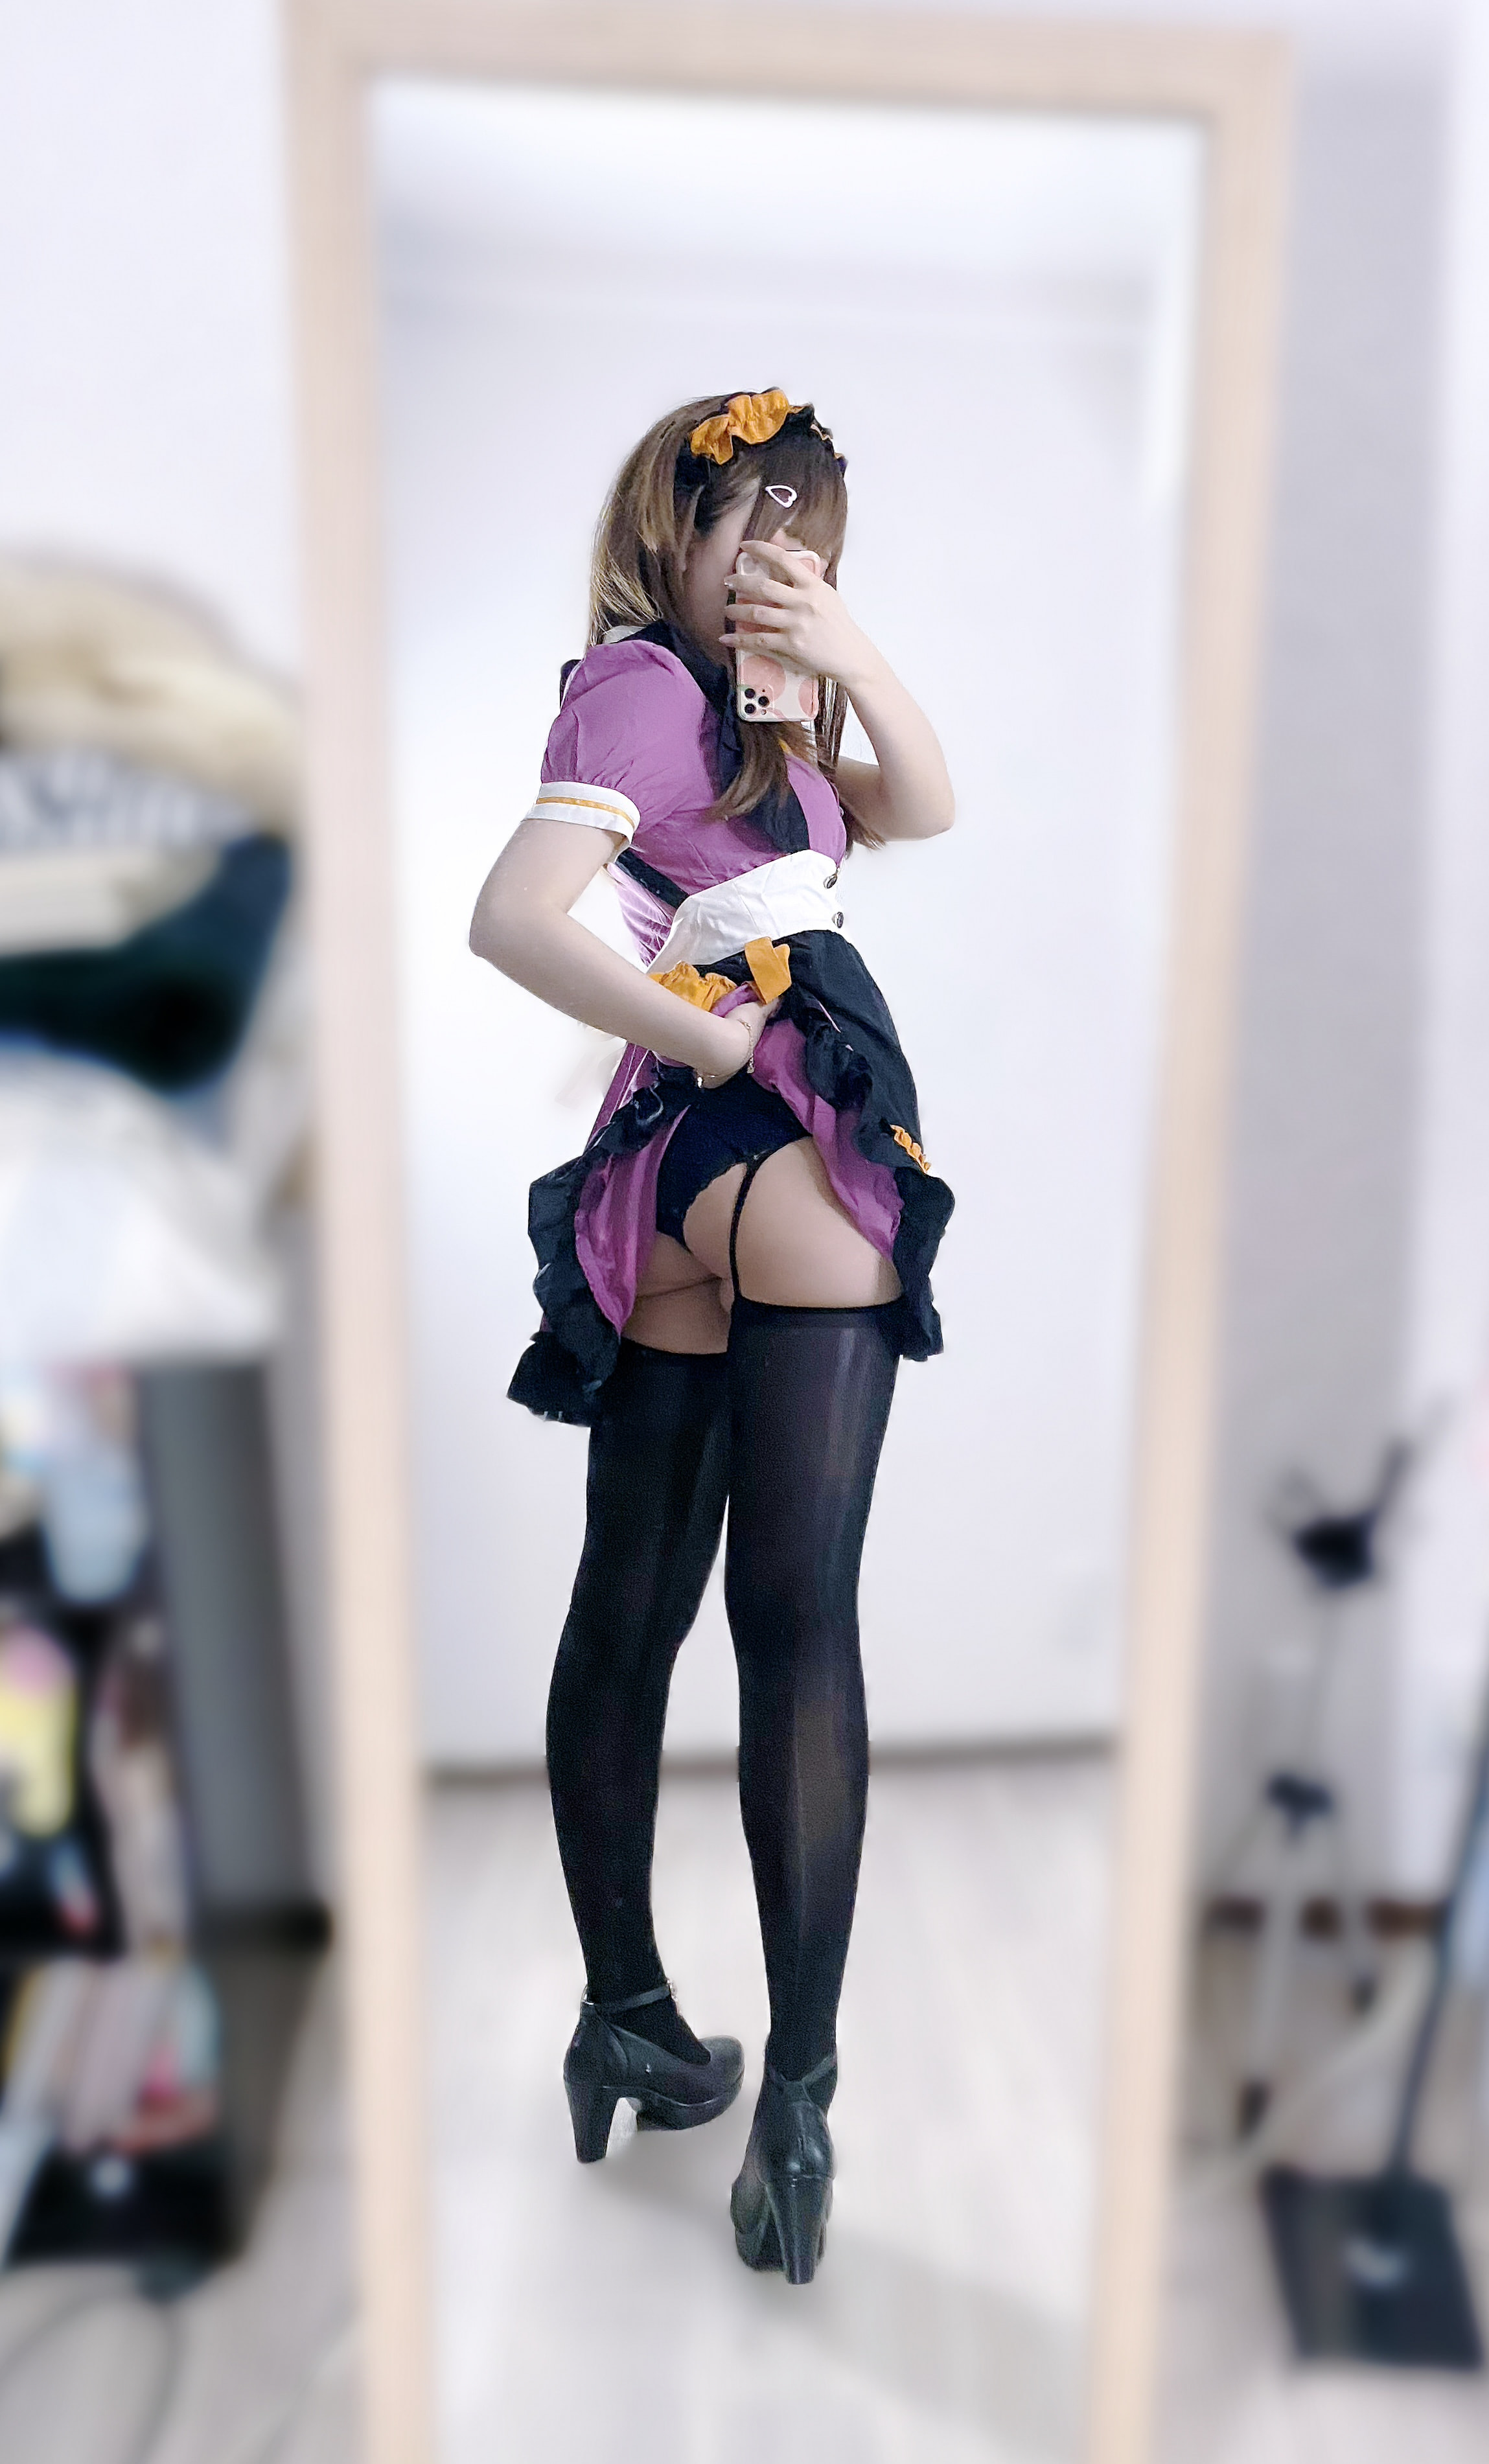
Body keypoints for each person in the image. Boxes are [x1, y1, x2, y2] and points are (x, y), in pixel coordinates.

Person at [469, 390, 954, 2283]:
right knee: (795, 1627)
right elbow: (516, 917)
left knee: (636, 1603)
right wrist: (713, 1035)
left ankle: (632, 2023)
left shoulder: (763, 717)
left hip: (680, 1175)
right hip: (776, 1138)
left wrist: (841, 652)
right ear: (668, 525)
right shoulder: (639, 690)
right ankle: (798, 2107)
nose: (778, 562)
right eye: (753, 525)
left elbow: (923, 806)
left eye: (806, 536)